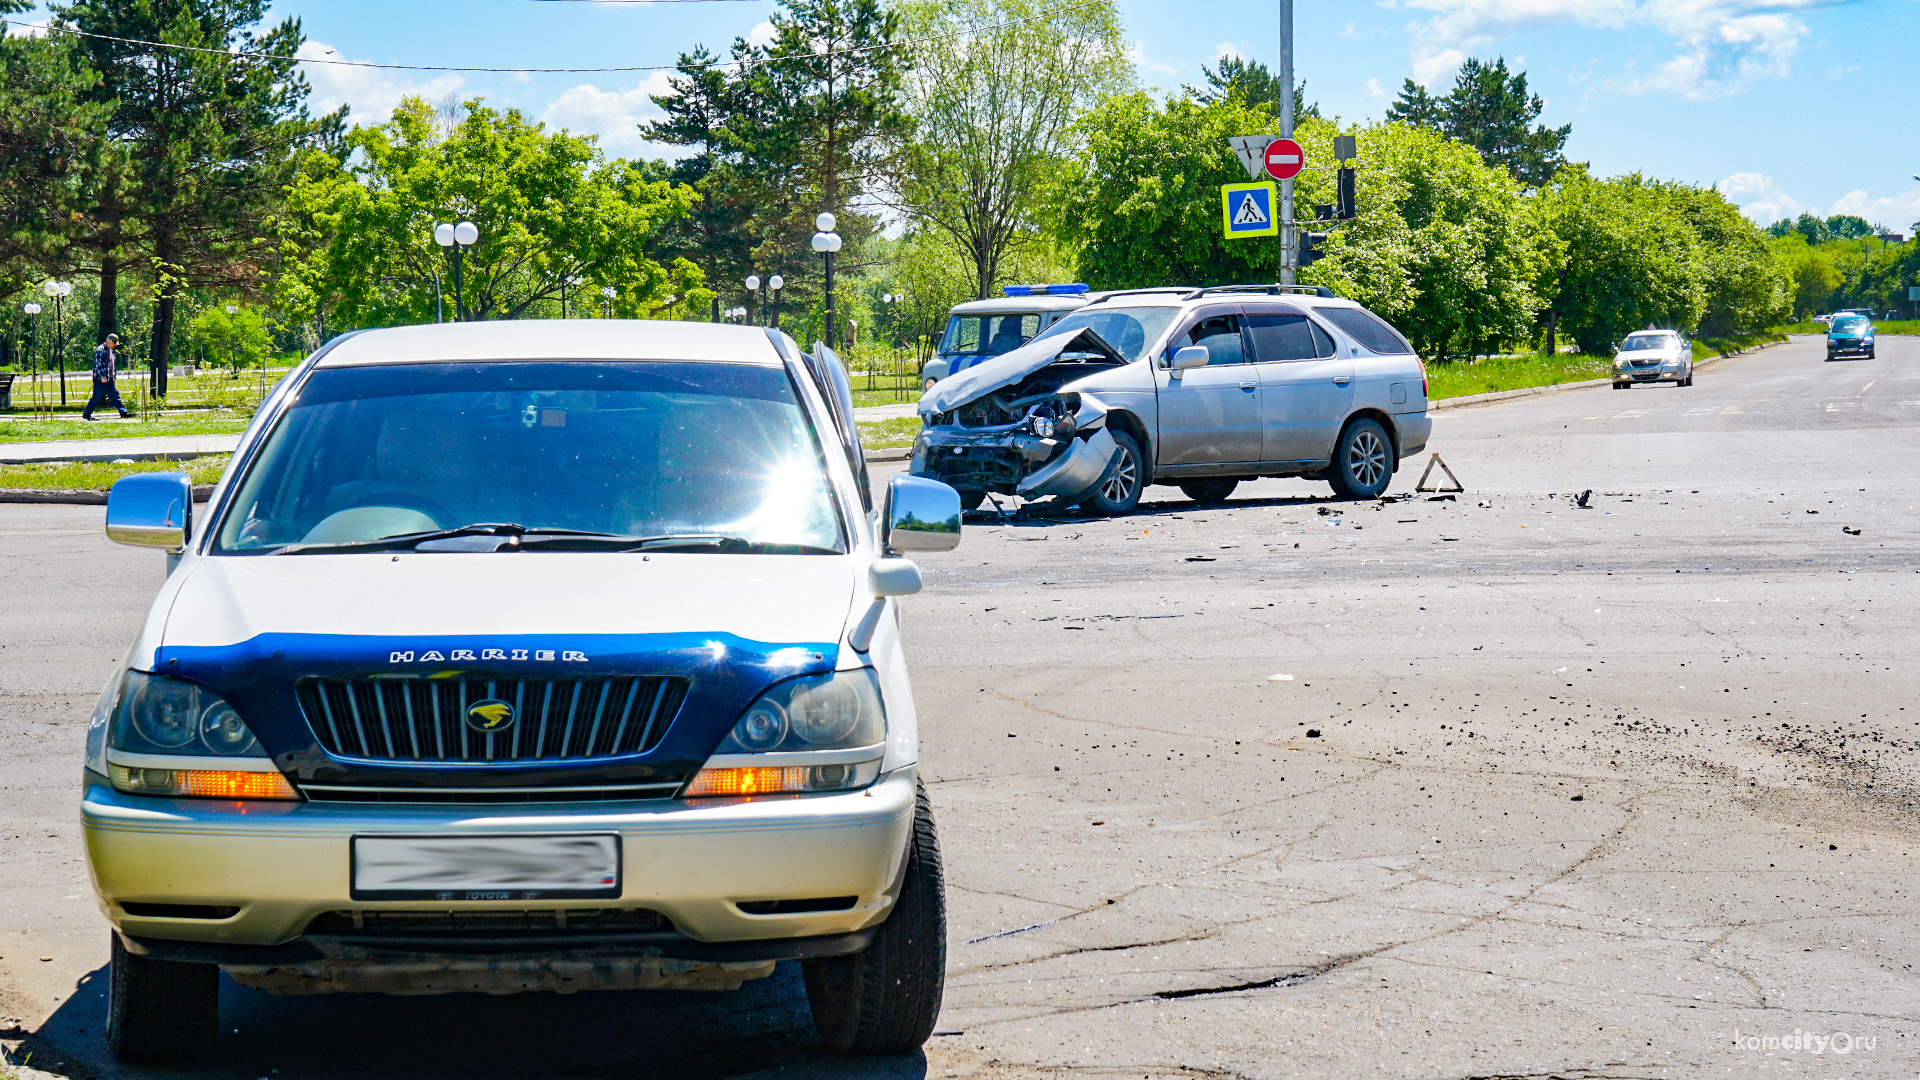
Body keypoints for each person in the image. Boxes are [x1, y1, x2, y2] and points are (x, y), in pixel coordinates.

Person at [82, 332, 131, 420]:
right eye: (114, 343)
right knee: (97, 397)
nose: (114, 345)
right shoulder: (100, 350)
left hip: (109, 379)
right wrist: (102, 376)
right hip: (101, 379)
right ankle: (86, 414)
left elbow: (112, 365)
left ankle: (123, 412)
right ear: (109, 341)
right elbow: (98, 364)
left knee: (115, 395)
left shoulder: (110, 350)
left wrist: (114, 376)